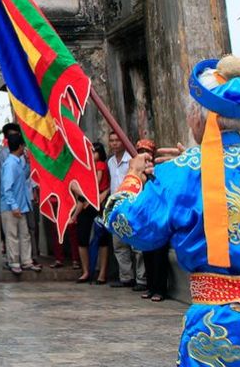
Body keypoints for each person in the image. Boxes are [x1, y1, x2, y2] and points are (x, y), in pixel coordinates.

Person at [104, 55, 240, 365]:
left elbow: (127, 224)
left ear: (199, 118)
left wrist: (133, 177)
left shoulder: (180, 173)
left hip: (218, 327)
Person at [107, 130, 145, 290]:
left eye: (117, 140)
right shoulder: (110, 162)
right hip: (116, 206)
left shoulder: (132, 160)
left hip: (132, 204)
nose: (114, 143)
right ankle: (126, 277)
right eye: (111, 141)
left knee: (136, 245)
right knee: (119, 245)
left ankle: (141, 279)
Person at [133, 138, 170, 303]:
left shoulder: (160, 170)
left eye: (146, 152)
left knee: (160, 256)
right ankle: (150, 286)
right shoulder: (136, 173)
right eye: (141, 152)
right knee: (147, 253)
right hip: (145, 218)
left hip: (160, 218)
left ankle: (161, 289)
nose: (144, 155)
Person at [0, 133, 40, 274]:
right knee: (12, 235)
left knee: (24, 234)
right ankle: (14, 261)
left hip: (20, 206)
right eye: (24, 146)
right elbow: (7, 187)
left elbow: (23, 177)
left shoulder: (17, 162)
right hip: (12, 207)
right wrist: (14, 205)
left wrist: (28, 163)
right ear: (20, 146)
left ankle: (26, 261)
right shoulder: (10, 164)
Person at [73, 140, 111, 283]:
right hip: (86, 200)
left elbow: (96, 181)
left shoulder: (100, 165)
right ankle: (86, 271)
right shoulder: (84, 166)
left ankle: (101, 273)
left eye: (94, 151)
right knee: (82, 238)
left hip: (97, 201)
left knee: (102, 240)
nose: (92, 154)